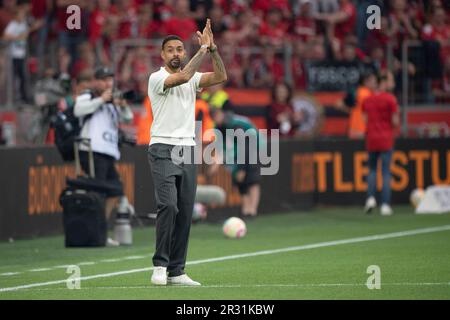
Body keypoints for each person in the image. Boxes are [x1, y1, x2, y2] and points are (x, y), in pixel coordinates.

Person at [147, 19, 227, 286]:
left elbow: (220, 77)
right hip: (162, 147)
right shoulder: (157, 78)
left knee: (185, 210)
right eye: (171, 50)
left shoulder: (193, 80)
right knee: (168, 205)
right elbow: (182, 77)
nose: (176, 53)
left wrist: (213, 49)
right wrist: (202, 50)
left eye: (180, 49)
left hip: (188, 150)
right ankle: (160, 265)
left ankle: (177, 270)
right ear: (162, 55)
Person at [73, 66, 134, 246]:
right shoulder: (89, 95)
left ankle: (100, 229)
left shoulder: (114, 99)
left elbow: (128, 118)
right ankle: (94, 233)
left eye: (110, 79)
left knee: (115, 191)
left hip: (108, 151)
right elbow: (78, 110)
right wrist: (101, 99)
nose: (108, 83)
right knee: (98, 192)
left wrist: (122, 105)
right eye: (104, 79)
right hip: (91, 148)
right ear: (96, 81)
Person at [207, 107, 262, 220]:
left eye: (216, 115)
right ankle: (246, 210)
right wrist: (216, 164)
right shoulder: (218, 127)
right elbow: (220, 147)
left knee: (252, 181)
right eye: (213, 116)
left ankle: (252, 211)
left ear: (221, 113)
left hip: (253, 148)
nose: (215, 118)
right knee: (240, 182)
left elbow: (245, 145)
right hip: (237, 153)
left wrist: (242, 168)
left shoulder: (235, 124)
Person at [362, 71, 400, 216]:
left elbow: (365, 119)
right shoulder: (390, 99)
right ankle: (385, 204)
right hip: (385, 138)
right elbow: (395, 121)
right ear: (383, 82)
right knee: (385, 172)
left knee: (371, 170)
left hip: (371, 138)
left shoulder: (367, 100)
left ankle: (370, 198)